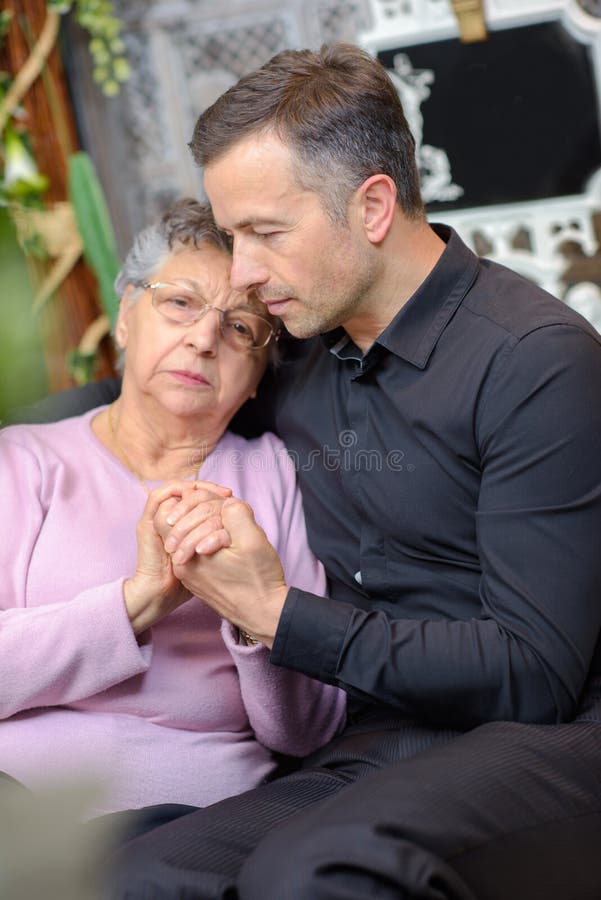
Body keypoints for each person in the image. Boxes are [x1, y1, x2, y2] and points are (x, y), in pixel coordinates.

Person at [12, 44, 601, 900]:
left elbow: (532, 673)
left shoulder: (535, 364)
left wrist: (273, 612)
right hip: (368, 742)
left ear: (370, 206)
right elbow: (153, 389)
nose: (242, 274)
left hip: (533, 736)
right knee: (141, 874)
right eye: (231, 234)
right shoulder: (298, 353)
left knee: (313, 872)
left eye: (263, 233)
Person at [0, 197, 346, 826]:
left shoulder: (273, 475)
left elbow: (307, 729)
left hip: (194, 823)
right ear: (126, 315)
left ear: (257, 376)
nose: (204, 337)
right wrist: (141, 602)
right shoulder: (23, 460)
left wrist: (252, 611)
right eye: (180, 302)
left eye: (240, 327)